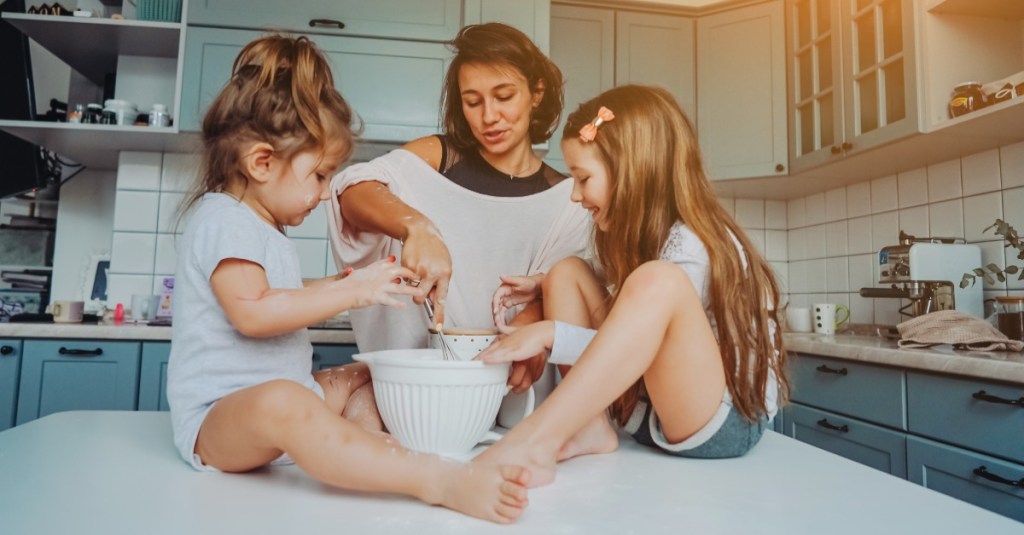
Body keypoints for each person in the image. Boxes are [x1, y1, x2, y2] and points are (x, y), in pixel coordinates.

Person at [166, 35, 530, 523]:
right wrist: (352, 290)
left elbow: (280, 296)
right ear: (261, 163)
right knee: (285, 401)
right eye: (319, 177)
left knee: (375, 371)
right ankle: (433, 479)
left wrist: (362, 279)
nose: (322, 196)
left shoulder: (258, 224)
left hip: (288, 398)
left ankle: (369, 451)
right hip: (219, 421)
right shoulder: (223, 219)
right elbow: (252, 312)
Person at [474, 85, 791, 487]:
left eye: (583, 178)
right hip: (651, 412)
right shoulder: (638, 240)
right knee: (566, 271)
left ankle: (537, 440)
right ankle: (589, 427)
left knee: (657, 280)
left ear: (633, 172)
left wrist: (552, 334)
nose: (575, 195)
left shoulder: (693, 247)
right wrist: (541, 288)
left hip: (723, 421)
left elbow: (640, 349)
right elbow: (626, 334)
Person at [327, 23, 591, 393]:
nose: (488, 116)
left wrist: (526, 329)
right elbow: (351, 191)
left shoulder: (569, 200)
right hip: (424, 385)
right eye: (473, 101)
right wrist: (416, 228)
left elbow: (558, 288)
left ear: (536, 93)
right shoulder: (439, 158)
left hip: (521, 390)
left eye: (504, 96)